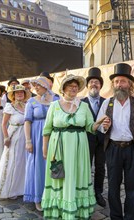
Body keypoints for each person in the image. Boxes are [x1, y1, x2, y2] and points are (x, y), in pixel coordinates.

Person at [41, 74, 110, 219]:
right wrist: (45, 149)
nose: (74, 88)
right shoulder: (54, 106)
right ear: (64, 88)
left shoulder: (84, 106)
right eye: (71, 86)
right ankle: (59, 208)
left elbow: (90, 127)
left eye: (76, 86)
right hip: (59, 148)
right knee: (60, 175)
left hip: (79, 149)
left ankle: (77, 209)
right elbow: (47, 129)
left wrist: (100, 121)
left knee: (77, 174)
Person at [97, 63, 134, 220]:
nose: (119, 84)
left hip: (132, 149)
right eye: (116, 82)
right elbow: (98, 126)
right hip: (113, 149)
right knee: (113, 188)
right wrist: (104, 127)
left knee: (132, 188)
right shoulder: (107, 103)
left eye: (122, 81)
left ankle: (130, 217)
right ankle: (115, 217)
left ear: (129, 84)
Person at [24, 76, 59, 211]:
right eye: (34, 86)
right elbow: (27, 121)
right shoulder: (32, 102)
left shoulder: (56, 99)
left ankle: (54, 196)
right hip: (37, 136)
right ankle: (38, 197)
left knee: (54, 165)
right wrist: (28, 141)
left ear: (45, 85)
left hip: (54, 135)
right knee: (39, 166)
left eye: (38, 85)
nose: (35, 88)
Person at [0, 85, 30, 199]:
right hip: (14, 136)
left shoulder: (27, 106)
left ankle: (22, 188)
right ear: (13, 95)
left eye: (21, 93)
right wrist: (6, 137)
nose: (19, 94)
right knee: (13, 161)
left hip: (26, 136)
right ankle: (9, 190)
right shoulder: (10, 107)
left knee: (23, 162)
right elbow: (4, 124)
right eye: (17, 93)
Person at [81, 67, 107, 207]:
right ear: (87, 86)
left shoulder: (107, 101)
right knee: (86, 166)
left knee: (100, 167)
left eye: (96, 82)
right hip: (86, 140)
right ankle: (85, 191)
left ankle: (98, 192)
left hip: (102, 141)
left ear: (100, 86)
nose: (94, 84)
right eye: (91, 82)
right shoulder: (81, 103)